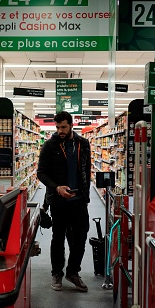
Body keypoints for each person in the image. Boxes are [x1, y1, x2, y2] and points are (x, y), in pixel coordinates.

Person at [37, 111, 91, 292]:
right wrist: (56, 188)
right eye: (58, 127)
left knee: (81, 236)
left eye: (63, 127)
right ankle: (57, 273)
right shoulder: (49, 146)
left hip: (79, 200)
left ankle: (73, 271)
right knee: (58, 237)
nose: (60, 130)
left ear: (71, 125)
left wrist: (86, 194)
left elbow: (86, 169)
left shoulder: (83, 144)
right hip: (59, 201)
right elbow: (41, 173)